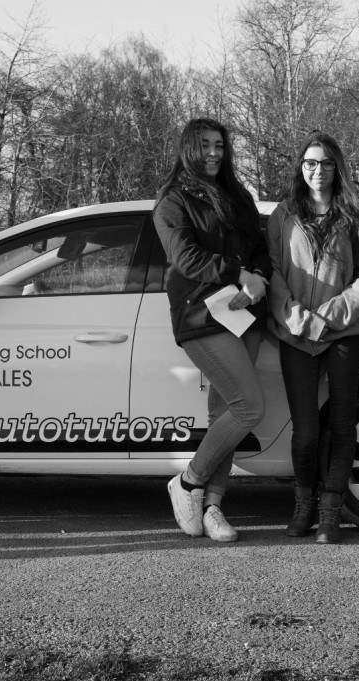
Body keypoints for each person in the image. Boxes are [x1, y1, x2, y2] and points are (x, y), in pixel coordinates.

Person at [153, 118, 271, 543]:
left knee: (226, 415)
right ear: (188, 148)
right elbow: (186, 258)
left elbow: (260, 247)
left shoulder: (239, 195)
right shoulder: (173, 200)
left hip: (245, 314)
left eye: (219, 145)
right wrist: (238, 273)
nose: (213, 153)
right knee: (248, 408)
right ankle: (187, 482)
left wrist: (256, 278)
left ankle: (212, 507)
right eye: (204, 145)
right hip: (201, 317)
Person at [267, 132, 359, 544]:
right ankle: (304, 503)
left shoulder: (355, 217)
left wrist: (327, 319)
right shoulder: (283, 215)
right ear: (301, 166)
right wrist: (301, 320)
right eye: (310, 163)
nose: (317, 170)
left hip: (345, 333)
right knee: (306, 431)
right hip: (296, 334)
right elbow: (274, 274)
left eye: (326, 163)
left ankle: (331, 510)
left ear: (337, 168)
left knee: (344, 424)